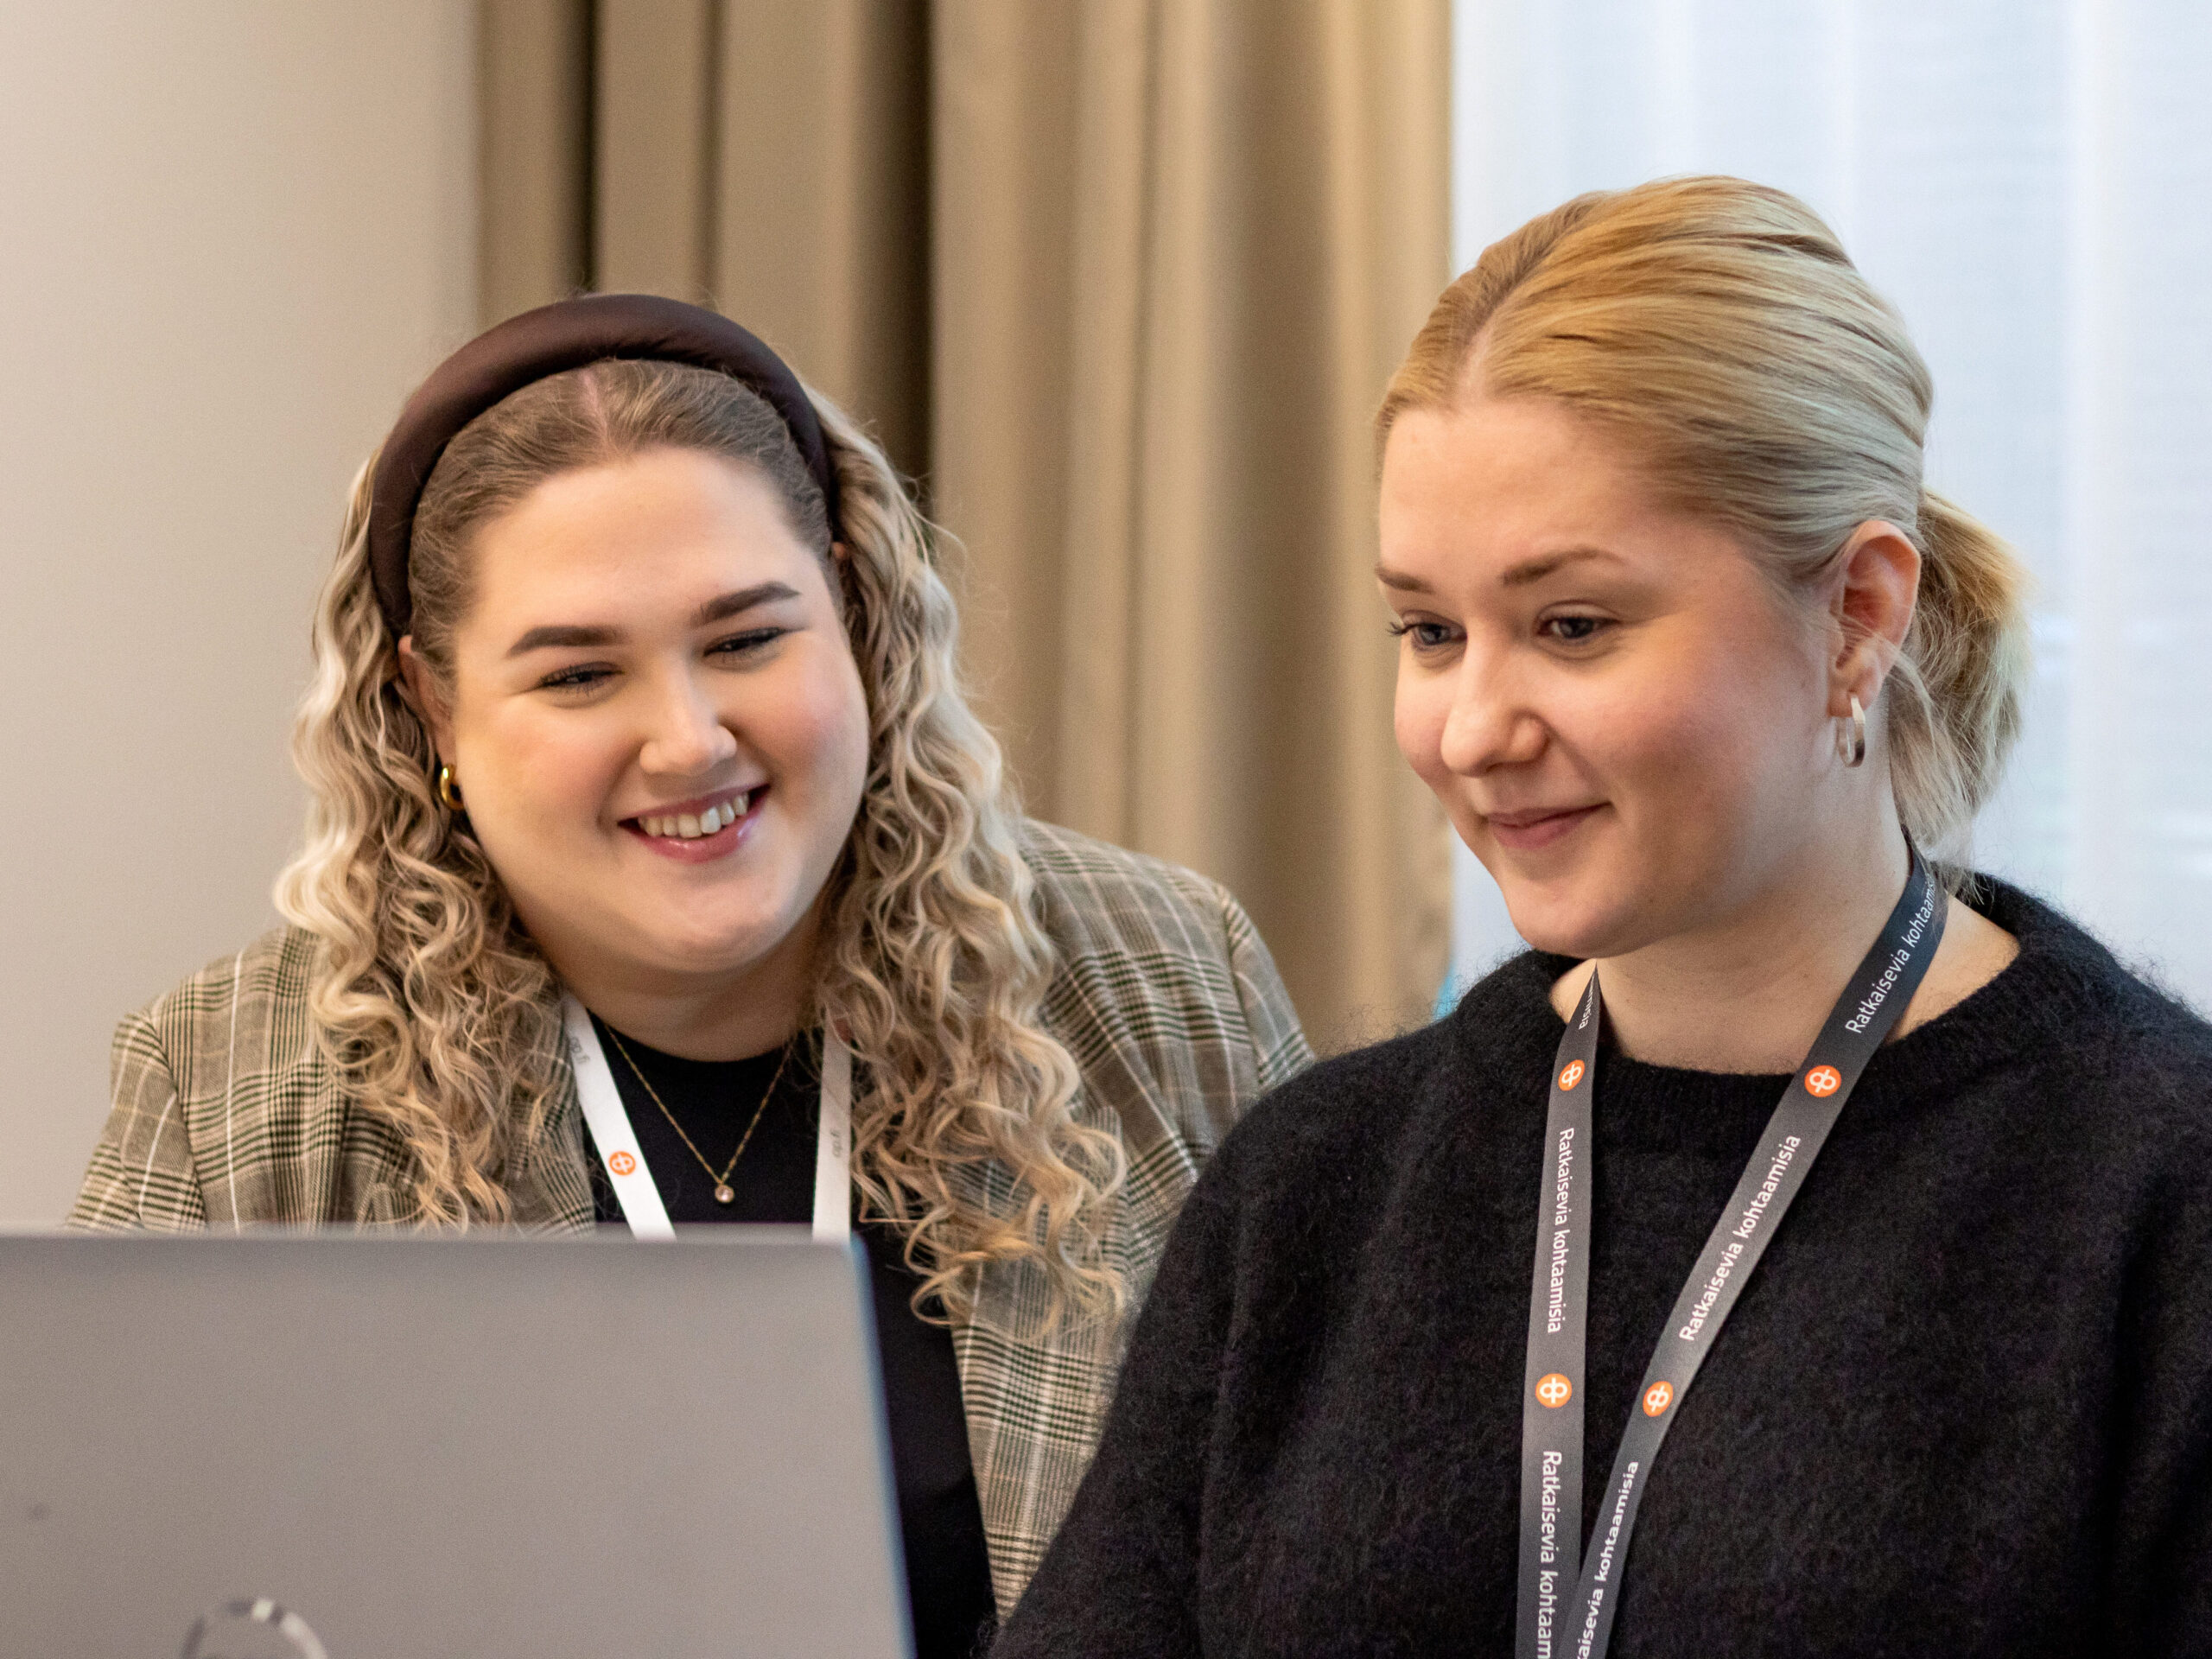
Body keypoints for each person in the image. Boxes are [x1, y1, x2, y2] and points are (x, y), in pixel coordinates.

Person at [995, 177, 2212, 1656]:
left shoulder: (2158, 1196)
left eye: (1572, 627)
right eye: (1431, 633)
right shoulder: (1316, 1190)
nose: (1471, 728)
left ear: (1860, 617)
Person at [68, 294, 1311, 1653]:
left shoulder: (1164, 982)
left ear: (853, 608)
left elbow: (1342, 1540)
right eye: (580, 675)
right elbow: (98, 1593)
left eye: (745, 640)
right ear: (433, 705)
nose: (688, 741)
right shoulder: (234, 1085)